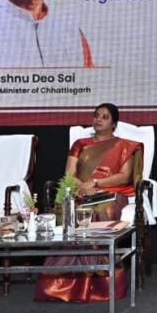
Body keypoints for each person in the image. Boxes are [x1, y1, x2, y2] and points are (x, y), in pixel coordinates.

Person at [35, 102, 142, 302]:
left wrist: (96, 183)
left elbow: (124, 176)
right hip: (81, 192)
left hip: (111, 193)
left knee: (104, 210)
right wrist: (83, 186)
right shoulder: (80, 144)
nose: (99, 120)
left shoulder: (125, 146)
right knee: (69, 212)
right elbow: (69, 174)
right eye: (96, 115)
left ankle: (101, 282)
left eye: (105, 117)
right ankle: (63, 283)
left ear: (114, 124)